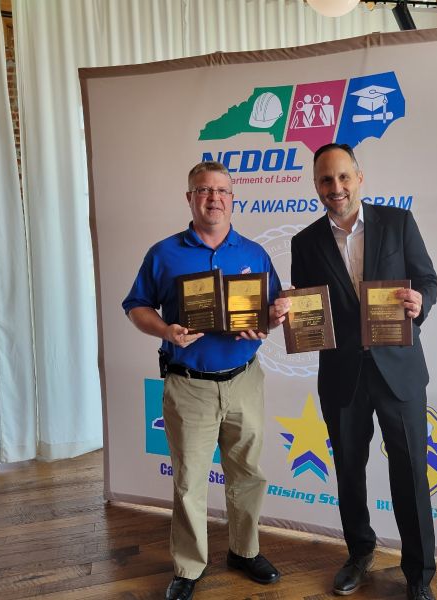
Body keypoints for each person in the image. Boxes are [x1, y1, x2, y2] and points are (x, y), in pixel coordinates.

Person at [122, 161, 291, 600]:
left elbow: (272, 309)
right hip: (189, 384)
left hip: (244, 381)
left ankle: (244, 550)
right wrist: (166, 330)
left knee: (248, 473)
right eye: (203, 190)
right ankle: (189, 567)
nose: (213, 198)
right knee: (189, 481)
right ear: (190, 198)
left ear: (232, 199)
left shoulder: (254, 253)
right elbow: (136, 306)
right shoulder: (164, 253)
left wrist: (271, 320)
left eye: (221, 191)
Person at [290, 143, 437, 600]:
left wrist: (420, 302)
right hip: (342, 376)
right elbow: (309, 308)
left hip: (399, 372)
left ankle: (418, 576)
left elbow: (427, 279)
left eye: (343, 177)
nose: (335, 187)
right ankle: (359, 553)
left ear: (359, 178)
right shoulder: (304, 242)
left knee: (410, 474)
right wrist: (291, 314)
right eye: (325, 180)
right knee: (350, 472)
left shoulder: (398, 223)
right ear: (316, 186)